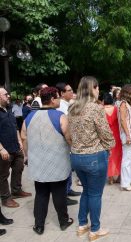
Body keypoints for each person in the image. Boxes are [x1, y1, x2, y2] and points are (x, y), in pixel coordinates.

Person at [21, 87, 74, 235]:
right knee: (59, 193)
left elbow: (24, 137)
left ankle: (39, 225)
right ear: (52, 99)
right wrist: (73, 150)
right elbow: (68, 137)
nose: (59, 100)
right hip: (57, 162)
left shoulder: (29, 117)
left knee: (41, 193)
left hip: (38, 163)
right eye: (57, 98)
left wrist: (27, 156)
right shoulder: (60, 116)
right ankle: (63, 221)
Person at [68, 76, 115, 241]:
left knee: (86, 191)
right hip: (94, 156)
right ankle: (95, 229)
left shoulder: (72, 108)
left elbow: (69, 134)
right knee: (95, 194)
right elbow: (105, 132)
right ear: (91, 89)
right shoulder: (95, 108)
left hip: (76, 157)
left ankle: (82, 225)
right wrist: (111, 145)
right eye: (96, 87)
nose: (98, 90)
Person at [0, 88, 31, 208]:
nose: (8, 96)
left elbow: (15, 127)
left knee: (19, 168)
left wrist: (20, 143)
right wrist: (1, 149)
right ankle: (5, 198)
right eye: (5, 94)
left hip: (15, 147)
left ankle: (16, 190)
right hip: (4, 150)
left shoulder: (8, 109)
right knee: (3, 175)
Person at [56, 82, 81, 206]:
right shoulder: (60, 106)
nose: (72, 92)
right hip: (64, 140)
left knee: (68, 167)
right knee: (65, 168)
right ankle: (63, 194)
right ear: (62, 93)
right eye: (69, 90)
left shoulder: (68, 104)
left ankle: (68, 189)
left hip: (70, 139)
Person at [118, 84, 131, 191]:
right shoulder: (123, 104)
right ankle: (125, 183)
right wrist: (128, 135)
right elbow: (123, 120)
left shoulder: (128, 104)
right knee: (127, 158)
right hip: (128, 133)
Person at [103, 93, 122, 184]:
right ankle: (118, 176)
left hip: (106, 135)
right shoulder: (116, 109)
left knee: (109, 156)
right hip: (116, 134)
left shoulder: (101, 110)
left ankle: (110, 178)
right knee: (118, 155)